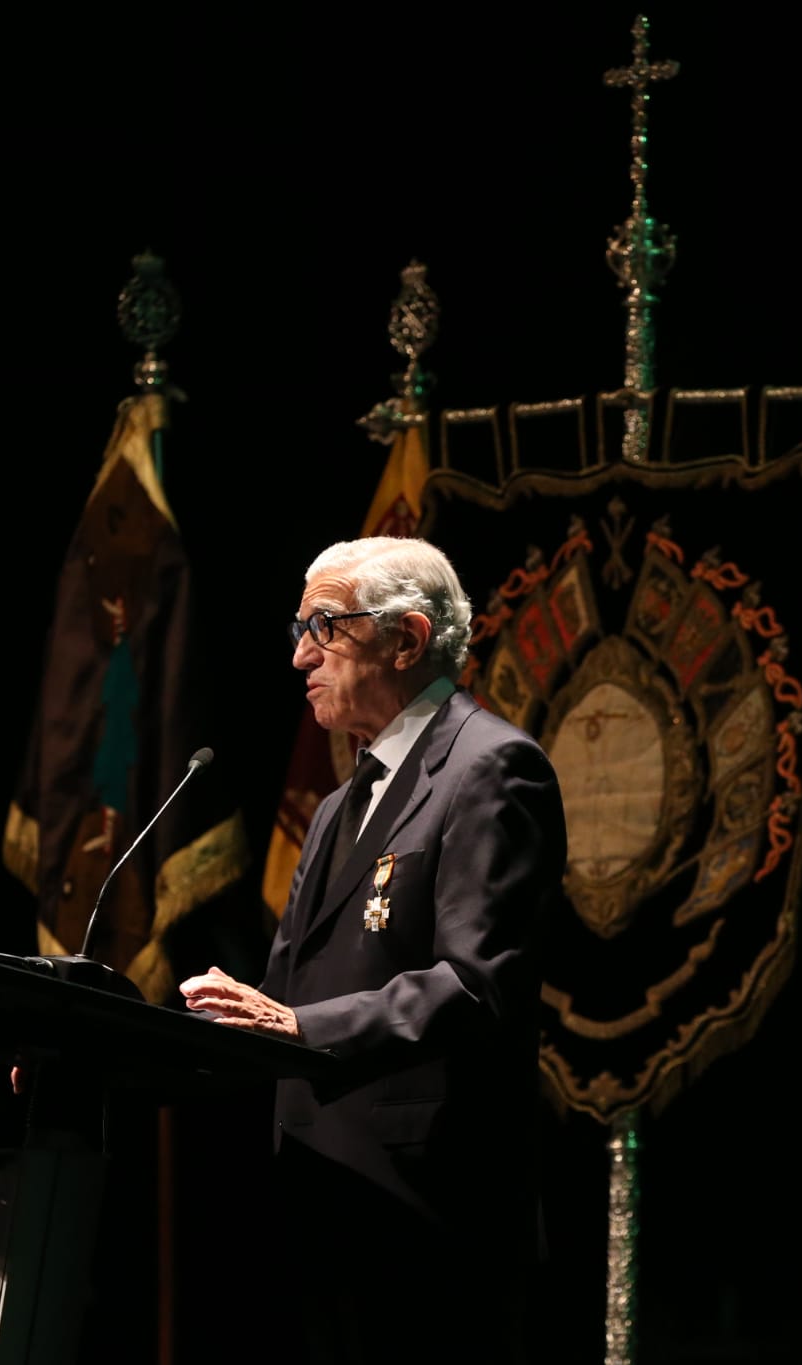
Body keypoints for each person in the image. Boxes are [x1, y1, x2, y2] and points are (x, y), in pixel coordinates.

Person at [180, 536, 566, 1363]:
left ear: (407, 638)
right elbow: (272, 1001)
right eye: (299, 627)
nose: (299, 656)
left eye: (323, 625)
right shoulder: (334, 808)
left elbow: (472, 984)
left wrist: (298, 1028)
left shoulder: (493, 769)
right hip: (322, 1210)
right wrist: (90, 1058)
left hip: (430, 1222)